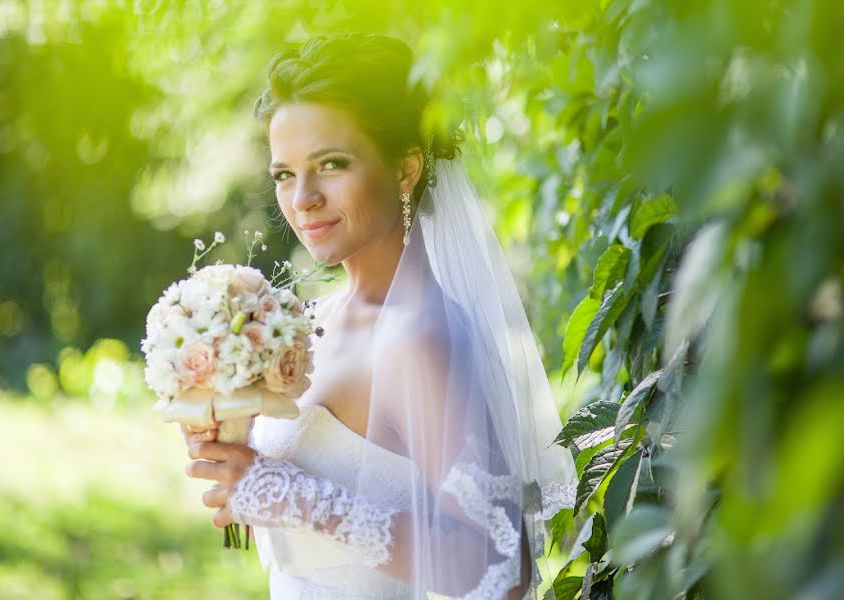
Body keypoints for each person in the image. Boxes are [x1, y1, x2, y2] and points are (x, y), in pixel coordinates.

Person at [181, 33, 577, 599]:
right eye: (285, 174)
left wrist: (299, 498)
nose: (303, 198)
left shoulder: (418, 336)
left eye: (331, 164)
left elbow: (502, 563)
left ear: (405, 171)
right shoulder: (307, 322)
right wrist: (236, 463)